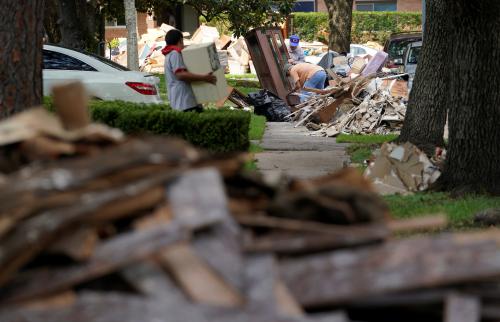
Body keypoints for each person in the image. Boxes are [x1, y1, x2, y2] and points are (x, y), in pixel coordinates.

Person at [162, 29, 216, 112]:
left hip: (182, 100)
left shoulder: (169, 54)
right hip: (185, 101)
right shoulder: (175, 54)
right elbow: (181, 75)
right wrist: (204, 78)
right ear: (180, 40)